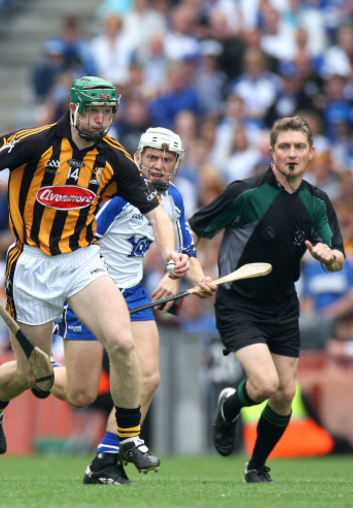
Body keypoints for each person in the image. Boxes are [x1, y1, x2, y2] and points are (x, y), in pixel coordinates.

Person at [0, 76, 190, 475]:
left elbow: (156, 212)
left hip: (82, 260)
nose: (99, 119)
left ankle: (128, 437)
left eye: (107, 112)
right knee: (33, 373)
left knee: (122, 341)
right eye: (92, 111)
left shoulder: (114, 156)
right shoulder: (34, 141)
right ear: (73, 108)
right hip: (31, 264)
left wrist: (171, 252)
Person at [51, 127, 216, 484]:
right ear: (138, 157)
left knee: (149, 378)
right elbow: (81, 239)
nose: (158, 165)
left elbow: (185, 252)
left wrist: (197, 279)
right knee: (82, 393)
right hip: (90, 290)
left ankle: (107, 458)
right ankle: (36, 372)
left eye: (167, 159)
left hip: (132, 292)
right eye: (152, 157)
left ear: (176, 164)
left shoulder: (173, 198)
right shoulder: (118, 195)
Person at [188, 116, 345, 483]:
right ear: (271, 152)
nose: (292, 154)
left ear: (311, 154)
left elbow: (338, 259)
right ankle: (231, 403)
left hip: (283, 305)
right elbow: (196, 229)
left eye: (299, 147)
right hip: (238, 302)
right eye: (285, 147)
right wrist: (193, 272)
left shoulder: (317, 202)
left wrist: (327, 257)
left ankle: (256, 466)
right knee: (263, 384)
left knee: (284, 394)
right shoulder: (245, 192)